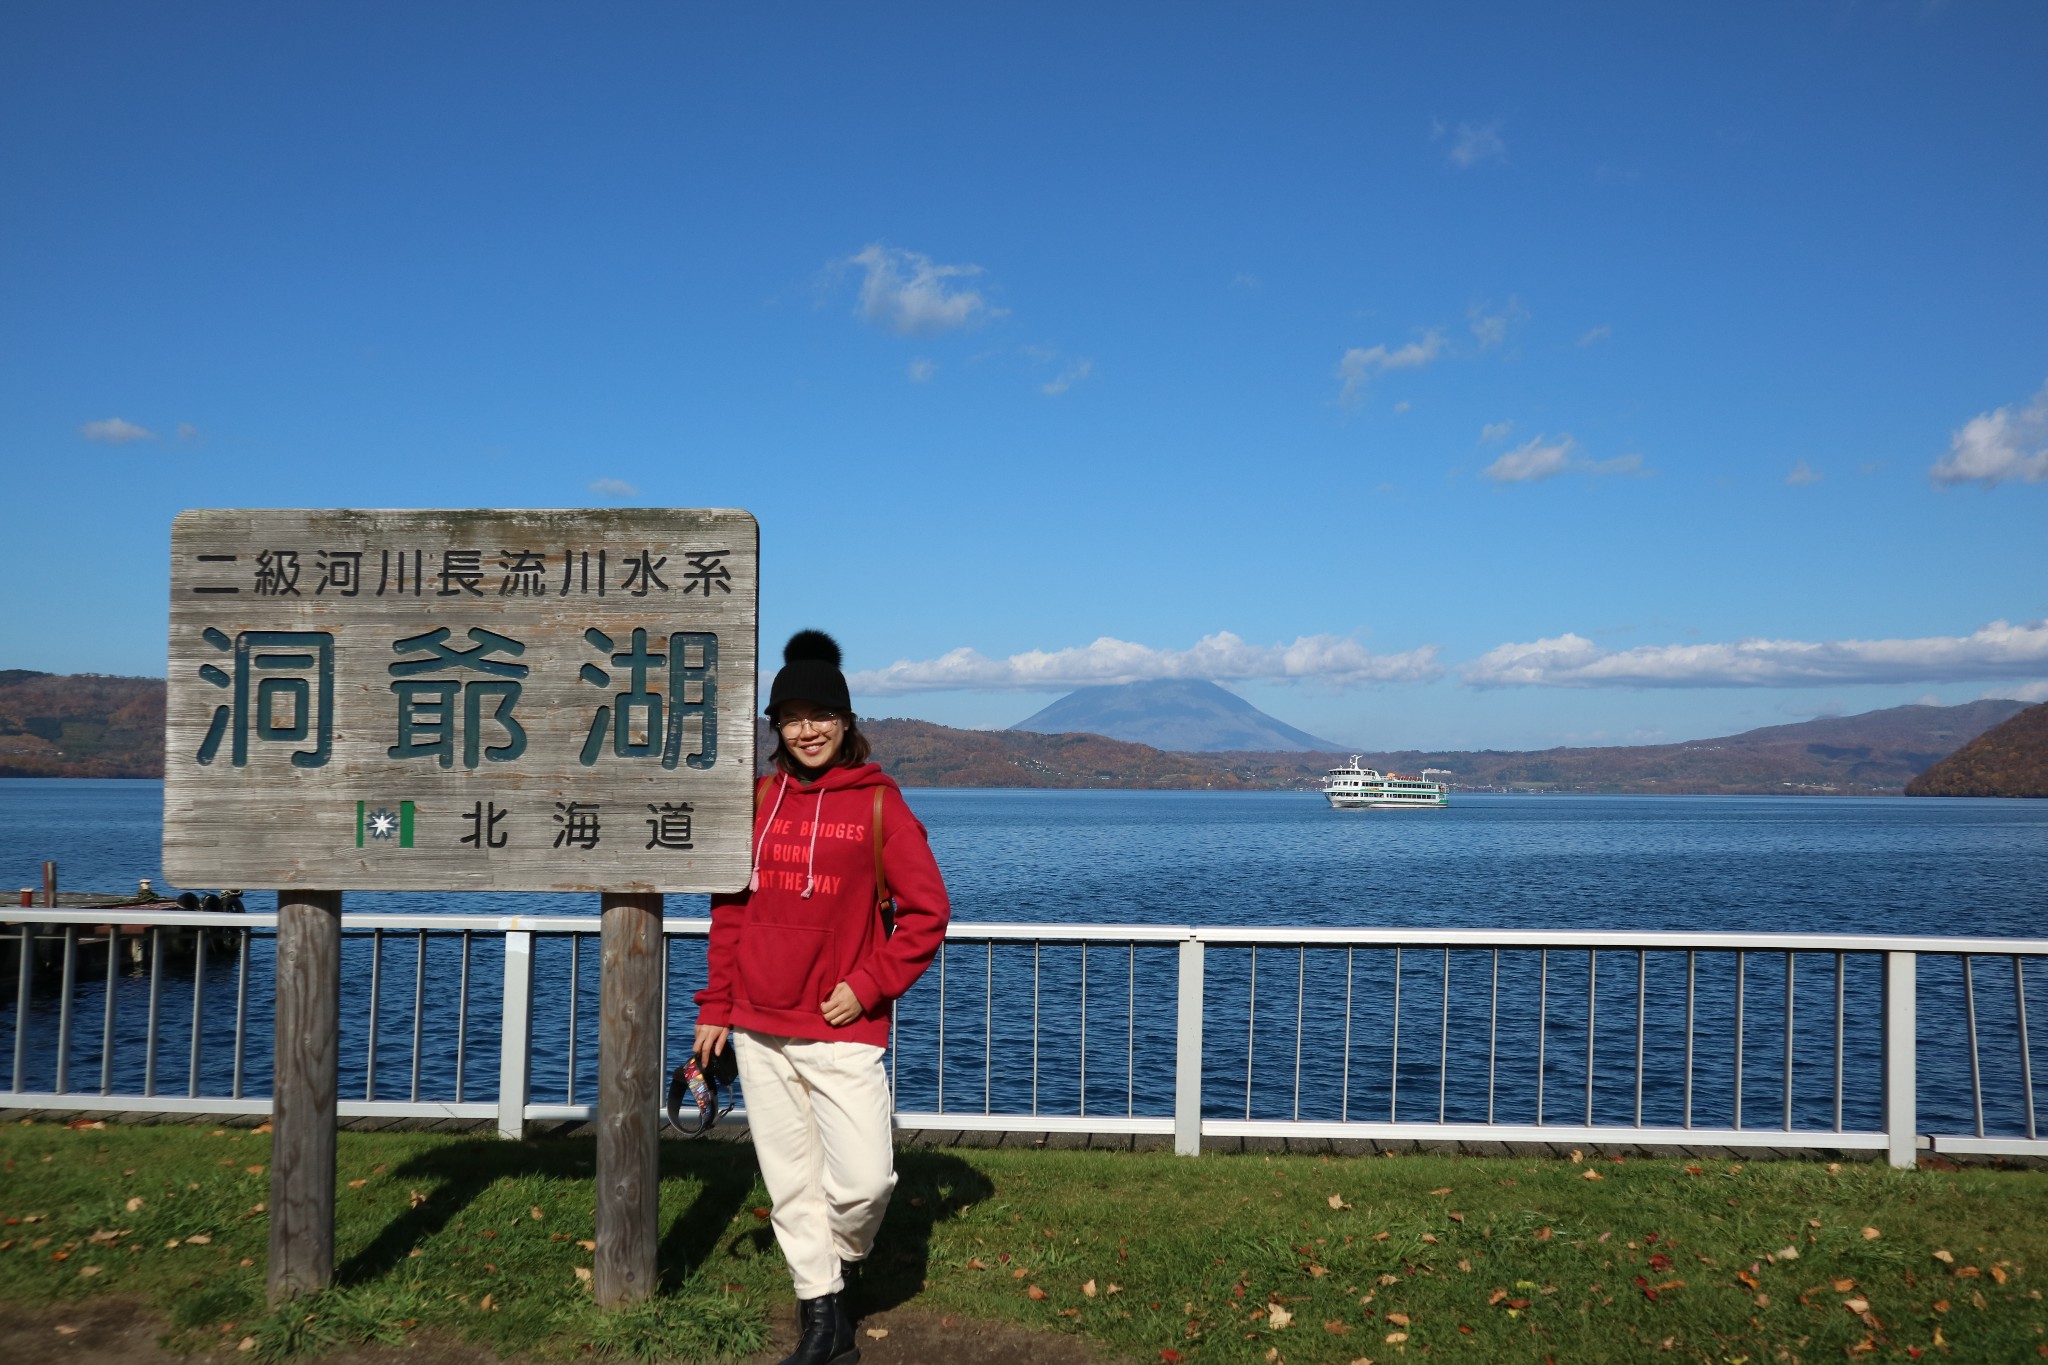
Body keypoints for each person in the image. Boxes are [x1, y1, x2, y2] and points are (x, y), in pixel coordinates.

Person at [693, 629, 951, 1365]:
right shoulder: (757, 802)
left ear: (846, 721)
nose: (806, 729)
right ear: (776, 726)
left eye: (820, 715)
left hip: (843, 1025)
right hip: (758, 1022)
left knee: (866, 1180)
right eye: (792, 716)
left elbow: (928, 911)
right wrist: (716, 1006)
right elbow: (731, 910)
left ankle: (835, 1263)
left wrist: (867, 983)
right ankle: (823, 1320)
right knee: (789, 1179)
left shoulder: (879, 804)